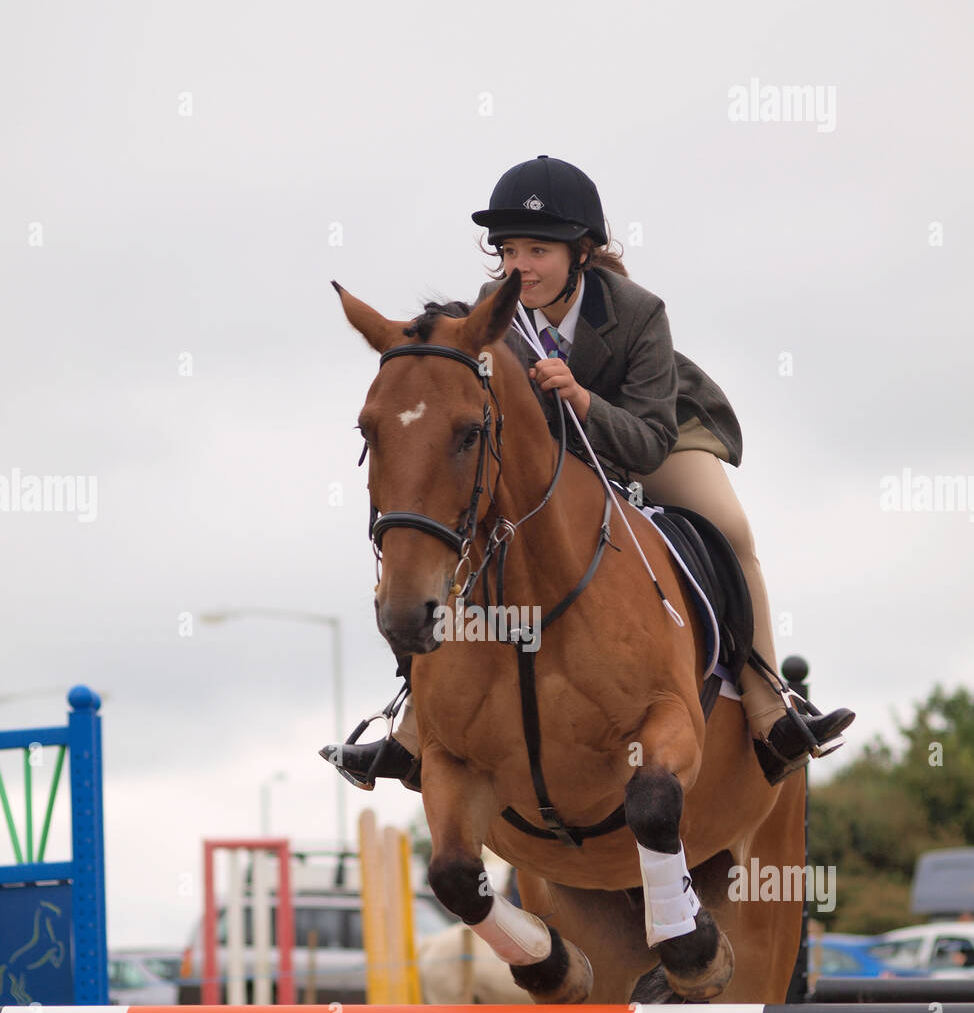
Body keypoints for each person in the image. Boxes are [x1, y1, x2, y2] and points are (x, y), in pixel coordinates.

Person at [323, 156, 853, 789]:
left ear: (582, 253)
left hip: (652, 432)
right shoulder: (495, 312)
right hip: (553, 454)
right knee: (463, 525)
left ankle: (772, 712)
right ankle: (411, 730)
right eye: (510, 249)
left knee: (731, 527)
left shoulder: (637, 312)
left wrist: (581, 400)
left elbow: (649, 444)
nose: (522, 265)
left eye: (539, 250)